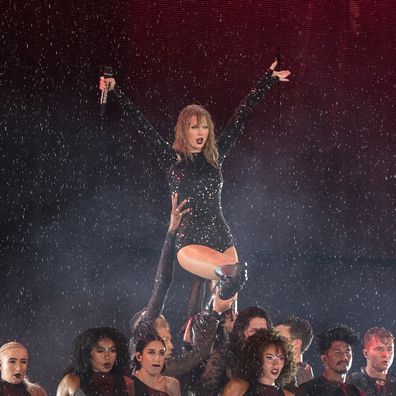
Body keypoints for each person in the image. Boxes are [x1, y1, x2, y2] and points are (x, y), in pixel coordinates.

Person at [100, 60, 291, 300]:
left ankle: (203, 319)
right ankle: (200, 317)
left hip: (221, 234)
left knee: (227, 306)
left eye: (204, 127)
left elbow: (242, 115)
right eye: (194, 127)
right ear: (183, 130)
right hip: (190, 239)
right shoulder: (171, 159)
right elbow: (142, 124)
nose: (201, 132)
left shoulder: (215, 156)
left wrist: (267, 80)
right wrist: (115, 90)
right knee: (234, 274)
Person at [129, 194, 236, 379]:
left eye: (169, 339)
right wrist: (215, 313)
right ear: (140, 352)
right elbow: (162, 283)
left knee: (233, 275)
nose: (170, 346)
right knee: (234, 274)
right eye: (165, 341)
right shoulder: (160, 365)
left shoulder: (163, 368)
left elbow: (192, 313)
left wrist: (202, 269)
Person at [194, 306, 272, 395]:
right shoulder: (223, 357)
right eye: (254, 331)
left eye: (264, 332)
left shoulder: (273, 359)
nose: (260, 336)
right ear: (240, 333)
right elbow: (204, 392)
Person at [56, 327, 135, 396]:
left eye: (112, 350)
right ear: (87, 353)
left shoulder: (126, 382)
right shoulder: (71, 381)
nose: (107, 357)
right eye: (100, 351)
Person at [222, 328, 296, 396]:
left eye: (281, 358)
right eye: (269, 358)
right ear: (257, 359)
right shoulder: (237, 387)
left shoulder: (288, 395)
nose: (276, 364)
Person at [296, 325, 365, 396]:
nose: (344, 356)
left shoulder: (356, 393)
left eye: (347, 352)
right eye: (338, 352)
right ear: (324, 359)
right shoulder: (308, 390)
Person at [347, 327, 396, 395]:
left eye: (389, 349)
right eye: (379, 349)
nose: (386, 354)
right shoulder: (350, 383)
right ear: (366, 353)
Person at [275, 317, 314, 389]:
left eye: (279, 339)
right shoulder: (303, 374)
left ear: (296, 344)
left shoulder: (298, 377)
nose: (272, 343)